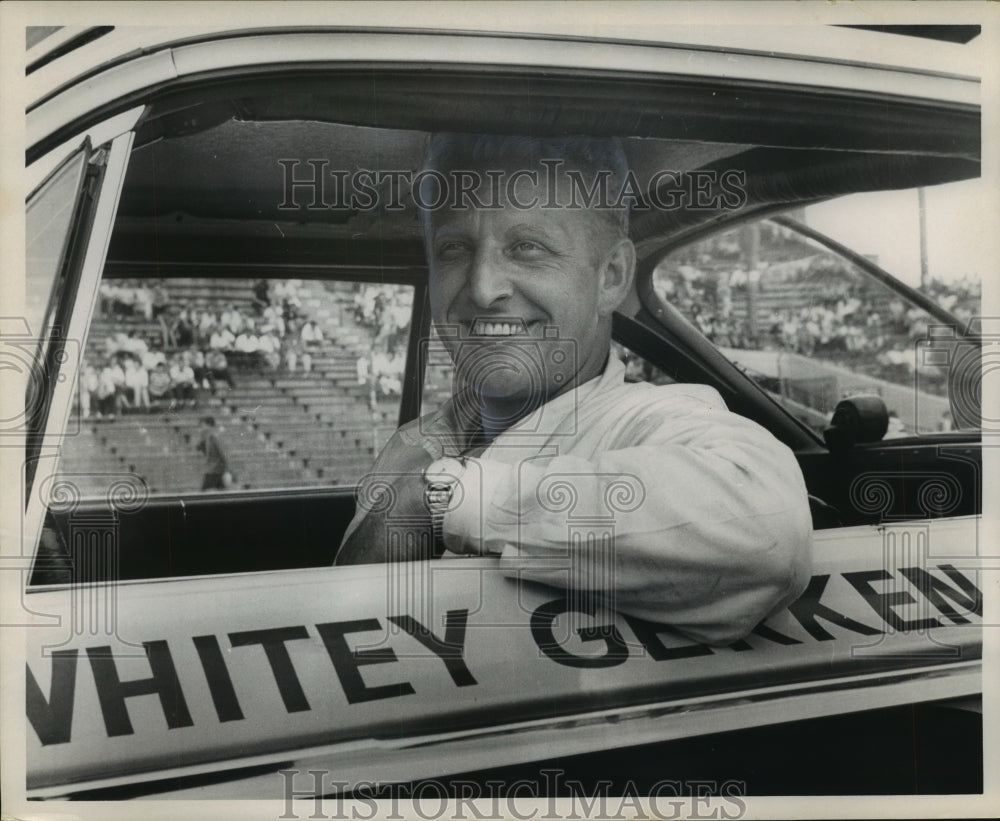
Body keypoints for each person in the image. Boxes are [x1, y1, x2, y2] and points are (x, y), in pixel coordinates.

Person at [335, 134, 812, 645]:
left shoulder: (647, 420)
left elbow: (768, 527)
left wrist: (438, 501)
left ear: (611, 276)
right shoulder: (414, 442)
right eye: (455, 248)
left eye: (527, 248)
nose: (480, 287)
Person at [197, 416, 232, 490]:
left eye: (202, 426)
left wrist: (228, 469)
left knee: (203, 495)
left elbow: (222, 453)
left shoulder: (214, 437)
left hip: (214, 470)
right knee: (221, 493)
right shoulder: (207, 438)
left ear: (209, 425)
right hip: (215, 470)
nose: (201, 429)